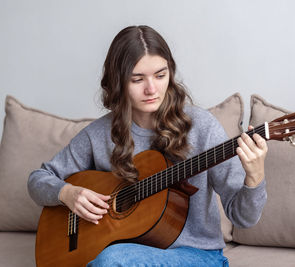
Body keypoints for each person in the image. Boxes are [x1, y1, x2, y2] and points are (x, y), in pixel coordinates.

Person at [28, 25, 268, 267]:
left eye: (160, 76)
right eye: (137, 79)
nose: (151, 89)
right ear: (117, 82)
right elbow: (37, 179)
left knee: (112, 261)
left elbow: (243, 217)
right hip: (124, 255)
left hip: (198, 256)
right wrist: (67, 193)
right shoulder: (98, 134)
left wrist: (255, 178)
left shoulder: (202, 127)